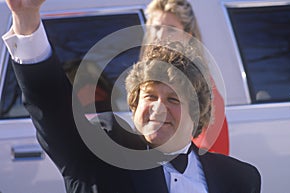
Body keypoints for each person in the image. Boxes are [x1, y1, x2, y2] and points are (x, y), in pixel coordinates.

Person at [2, 0, 261, 192]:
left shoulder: (239, 179)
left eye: (173, 99)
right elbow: (52, 107)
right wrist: (27, 22)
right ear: (134, 106)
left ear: (197, 114)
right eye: (150, 96)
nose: (159, 109)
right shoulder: (100, 154)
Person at [143, 0, 230, 155]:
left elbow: (213, 150)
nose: (160, 36)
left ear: (188, 36)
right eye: (156, 28)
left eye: (171, 30)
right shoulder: (142, 77)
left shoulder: (201, 84)